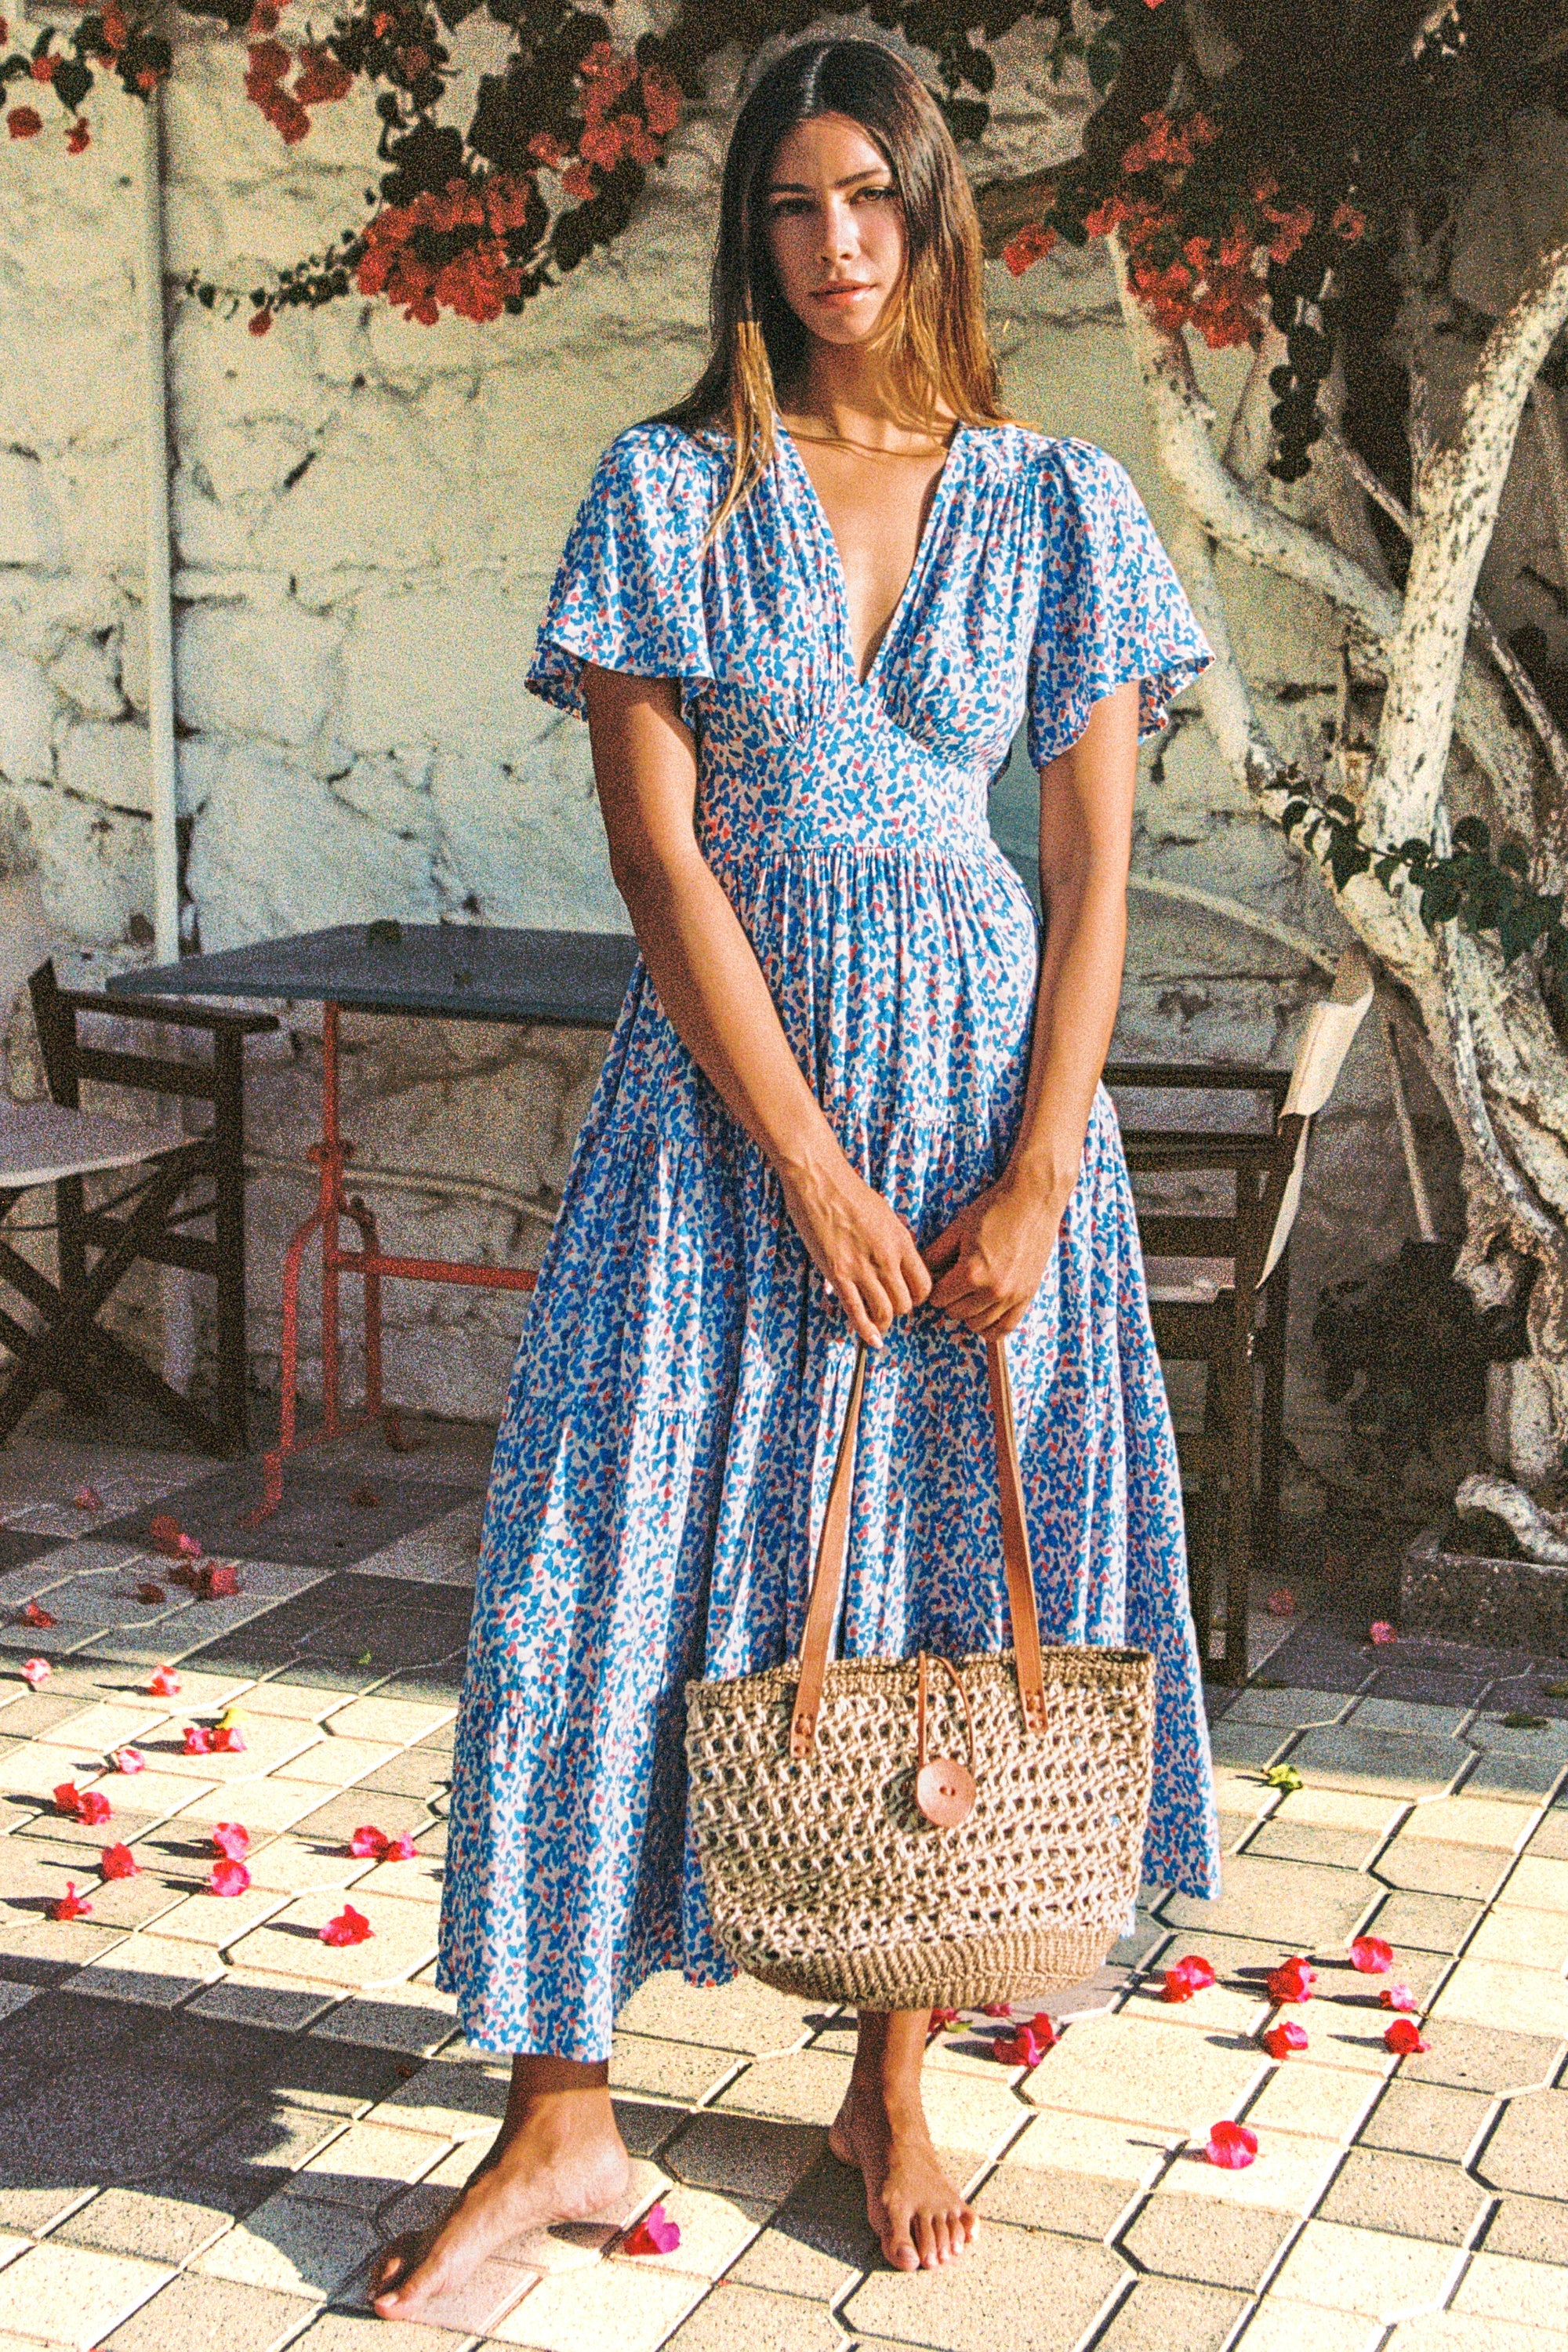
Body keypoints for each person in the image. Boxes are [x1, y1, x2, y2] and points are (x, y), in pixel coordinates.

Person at [372, 32, 1221, 2320]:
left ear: (935, 211)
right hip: (722, 1121)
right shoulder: (668, 493)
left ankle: (894, 2069)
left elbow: (1096, 872)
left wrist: (1034, 1170)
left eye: (872, 197)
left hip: (979, 1108)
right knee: (594, 1561)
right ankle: (560, 2113)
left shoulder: (1059, 506)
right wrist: (813, 1172)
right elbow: (656, 859)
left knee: (941, 1585)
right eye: (789, 206)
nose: (835, 248)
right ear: (747, 233)